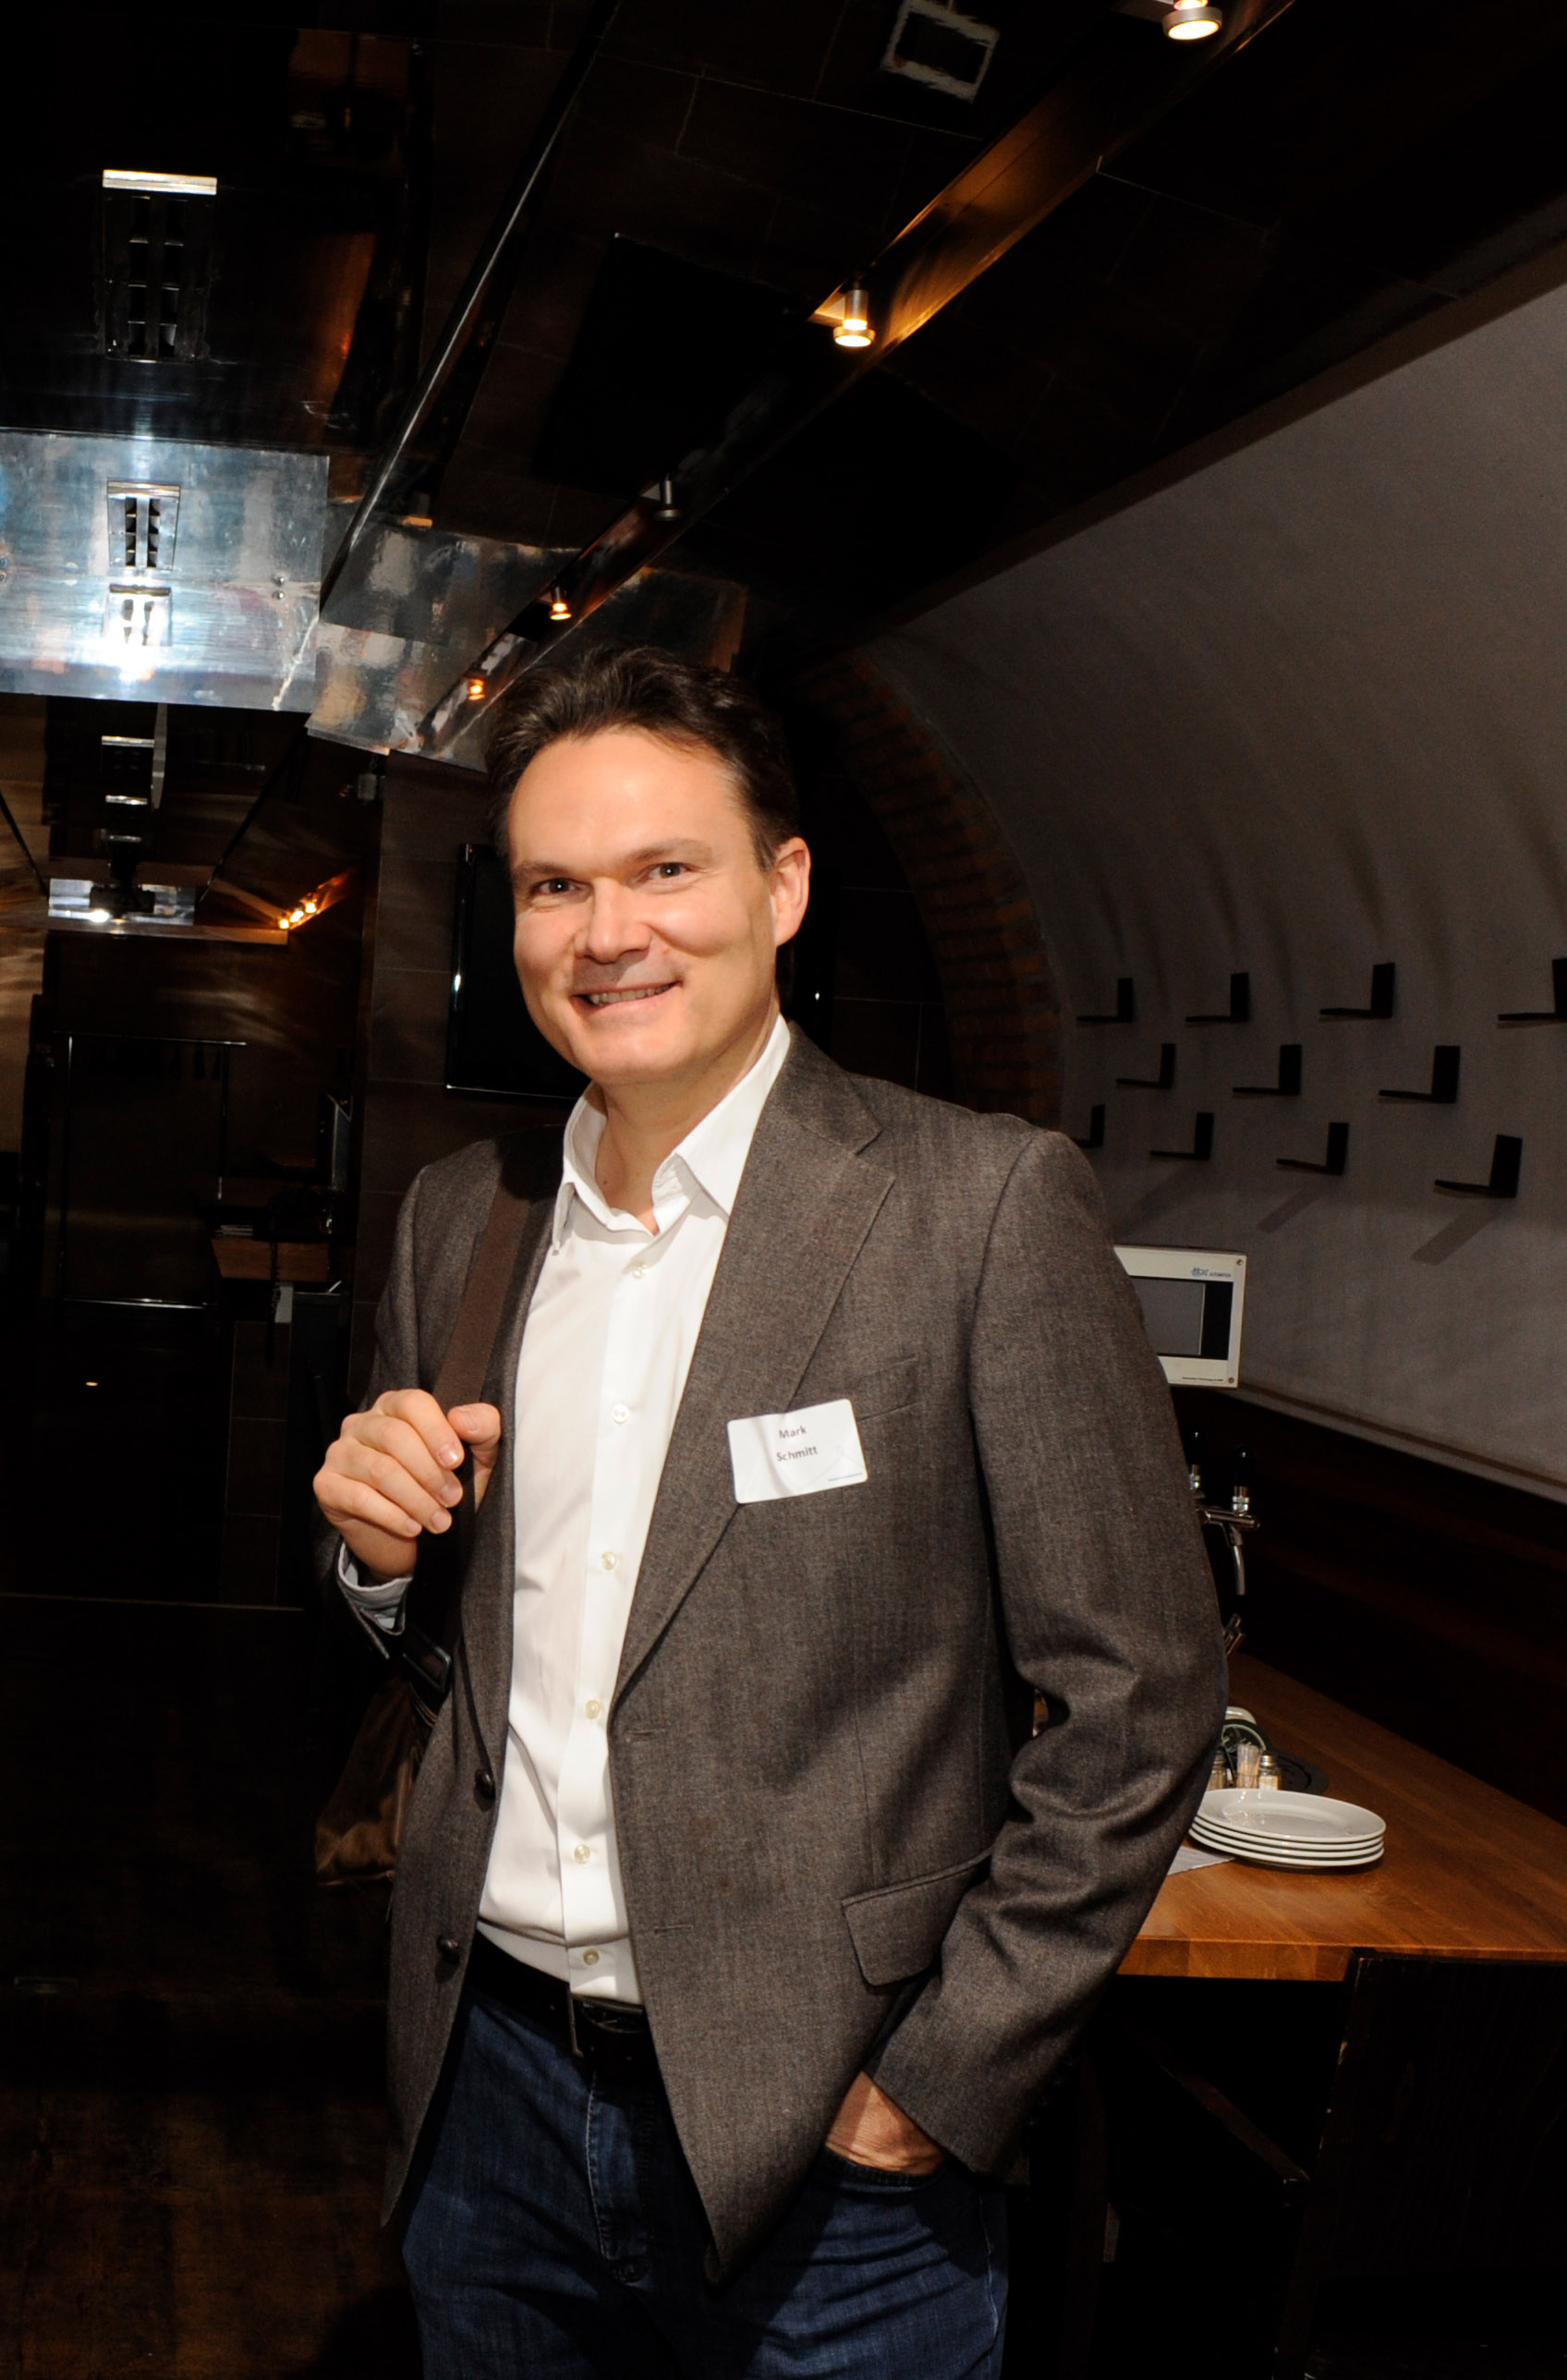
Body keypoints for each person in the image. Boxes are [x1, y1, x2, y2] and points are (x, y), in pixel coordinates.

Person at [310, 647, 1221, 2376]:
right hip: (488, 2097)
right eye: (555, 886)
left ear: (783, 889)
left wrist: (941, 2082)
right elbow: (456, 1654)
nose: (608, 934)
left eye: (666, 869)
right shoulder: (464, 1217)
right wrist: (372, 1563)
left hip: (834, 2148)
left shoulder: (975, 1210)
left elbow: (1143, 1694)